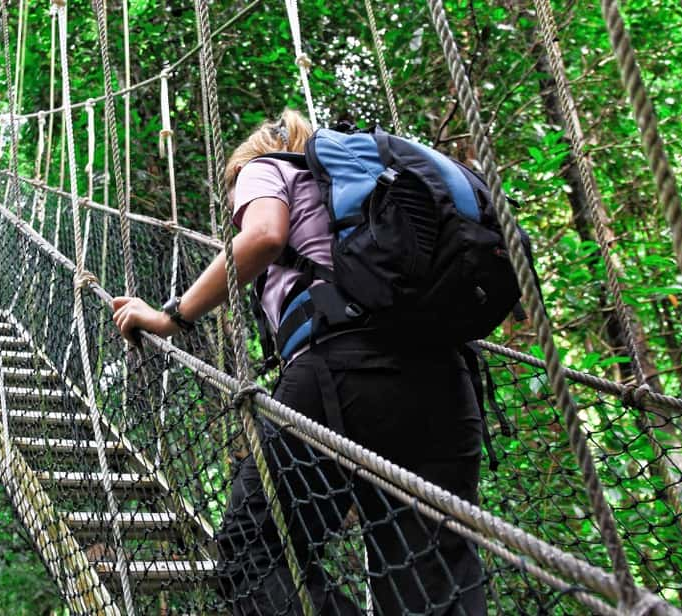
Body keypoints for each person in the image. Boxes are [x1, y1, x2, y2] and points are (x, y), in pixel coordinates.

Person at [110, 109, 485, 615]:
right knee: (432, 584)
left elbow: (263, 236)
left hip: (342, 371)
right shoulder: (375, 179)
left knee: (250, 555)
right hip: (446, 379)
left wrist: (172, 315)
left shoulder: (266, 168)